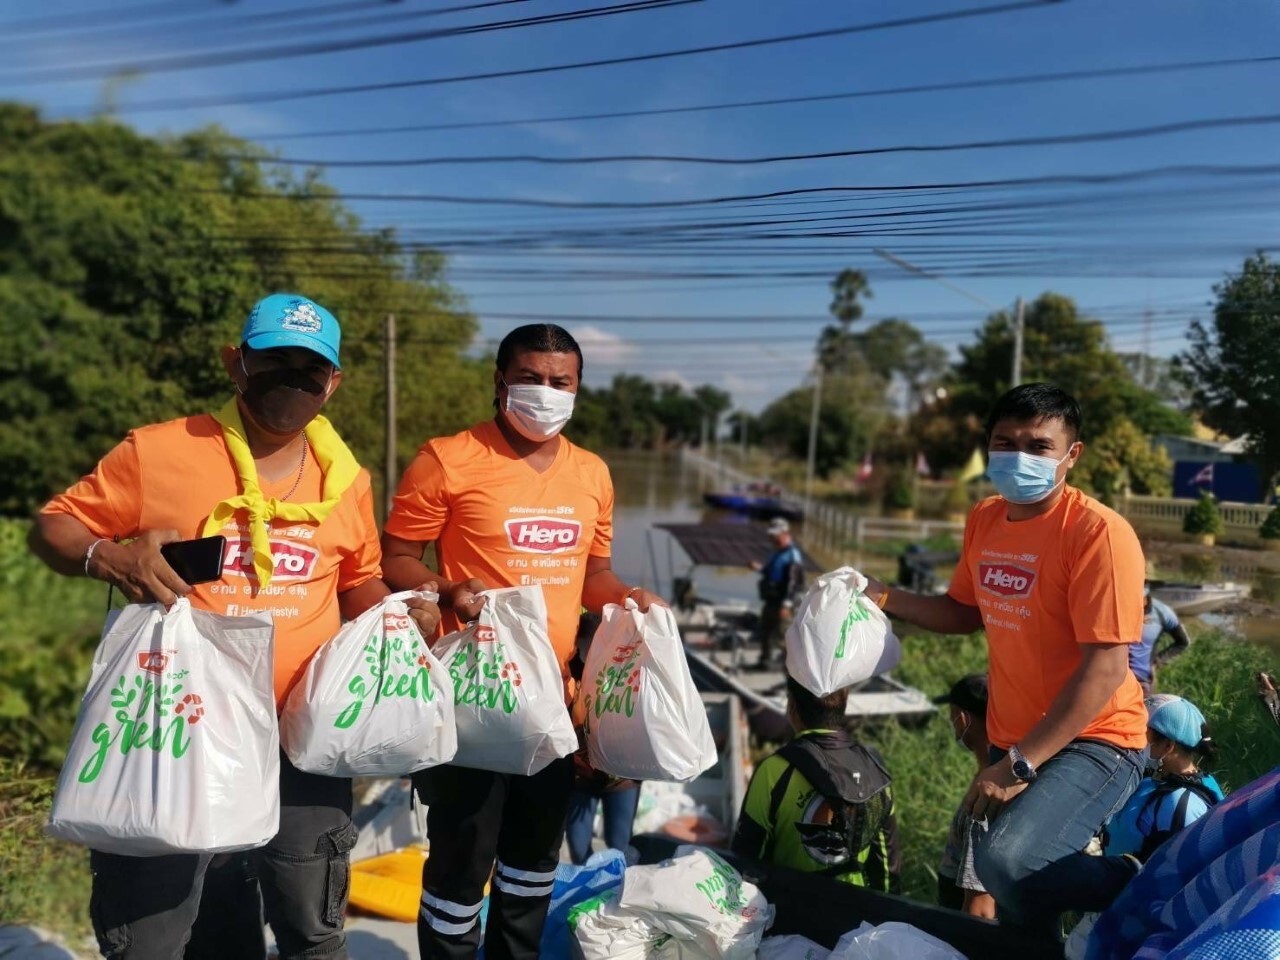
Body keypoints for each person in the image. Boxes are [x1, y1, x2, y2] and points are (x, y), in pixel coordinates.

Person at [30, 293, 441, 960]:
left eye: (310, 369)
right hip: (177, 732)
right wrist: (108, 555)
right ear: (236, 362)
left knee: (311, 925)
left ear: (332, 382)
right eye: (274, 358)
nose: (292, 378)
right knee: (152, 941)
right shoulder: (159, 451)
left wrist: (403, 609)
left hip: (302, 732)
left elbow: (358, 577)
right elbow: (55, 524)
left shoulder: (349, 480)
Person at [380, 323, 665, 960]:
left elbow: (595, 574)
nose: (544, 392)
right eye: (530, 378)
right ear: (500, 380)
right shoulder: (447, 458)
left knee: (532, 870)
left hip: (554, 706)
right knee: (458, 875)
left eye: (559, 382)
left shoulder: (592, 473)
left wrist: (630, 599)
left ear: (578, 388)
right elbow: (395, 556)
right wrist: (444, 588)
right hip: (468, 706)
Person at [857, 383, 1148, 936]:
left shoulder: (1099, 535)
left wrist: (1019, 764)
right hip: (1010, 734)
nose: (1019, 456)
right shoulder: (985, 519)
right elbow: (963, 610)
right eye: (1004, 441)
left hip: (1097, 737)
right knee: (1019, 906)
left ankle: (1135, 879)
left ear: (1072, 454)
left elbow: (1107, 667)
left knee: (1008, 863)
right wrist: (883, 597)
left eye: (1038, 445)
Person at [1023, 694, 1224, 914]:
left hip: (1135, 912)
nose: (1131, 738)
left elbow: (1169, 878)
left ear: (1167, 746)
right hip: (1118, 897)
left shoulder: (1180, 803)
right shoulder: (1155, 780)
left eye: (1139, 733)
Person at [731, 677, 900, 892]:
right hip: (857, 912)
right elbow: (887, 866)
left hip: (787, 911)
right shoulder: (874, 767)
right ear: (845, 702)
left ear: (791, 707)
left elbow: (747, 856)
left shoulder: (773, 770)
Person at [564, 613, 641, 865]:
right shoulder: (567, 676)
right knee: (577, 848)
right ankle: (590, 892)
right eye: (588, 644)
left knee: (618, 848)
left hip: (620, 781)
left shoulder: (625, 673)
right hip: (580, 778)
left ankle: (619, 889)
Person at [934, 674, 996, 919]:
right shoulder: (996, 773)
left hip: (964, 927)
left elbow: (980, 906)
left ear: (962, 719)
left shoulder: (988, 793)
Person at [749, 517, 805, 669]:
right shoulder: (775, 553)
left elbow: (794, 583)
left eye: (774, 534)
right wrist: (759, 568)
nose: (771, 537)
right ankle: (764, 662)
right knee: (765, 632)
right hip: (771, 601)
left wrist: (786, 605)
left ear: (784, 533)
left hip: (783, 604)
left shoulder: (793, 555)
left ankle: (789, 671)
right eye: (770, 534)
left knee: (783, 637)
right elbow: (770, 572)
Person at [1130, 587, 1191, 695]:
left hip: (1142, 681)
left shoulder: (1162, 612)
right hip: (1113, 679)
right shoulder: (1117, 607)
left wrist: (1157, 661)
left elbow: (1183, 642)